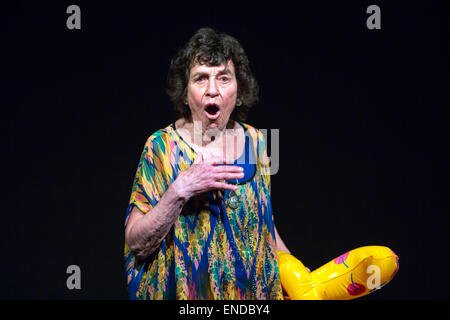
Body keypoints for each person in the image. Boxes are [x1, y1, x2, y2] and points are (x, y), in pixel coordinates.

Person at [123, 27, 291, 300]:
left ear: (239, 91)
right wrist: (180, 190)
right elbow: (136, 243)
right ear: (185, 94)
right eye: (200, 79)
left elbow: (265, 225)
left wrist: (296, 274)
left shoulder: (258, 141)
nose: (212, 90)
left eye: (224, 78)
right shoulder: (161, 147)